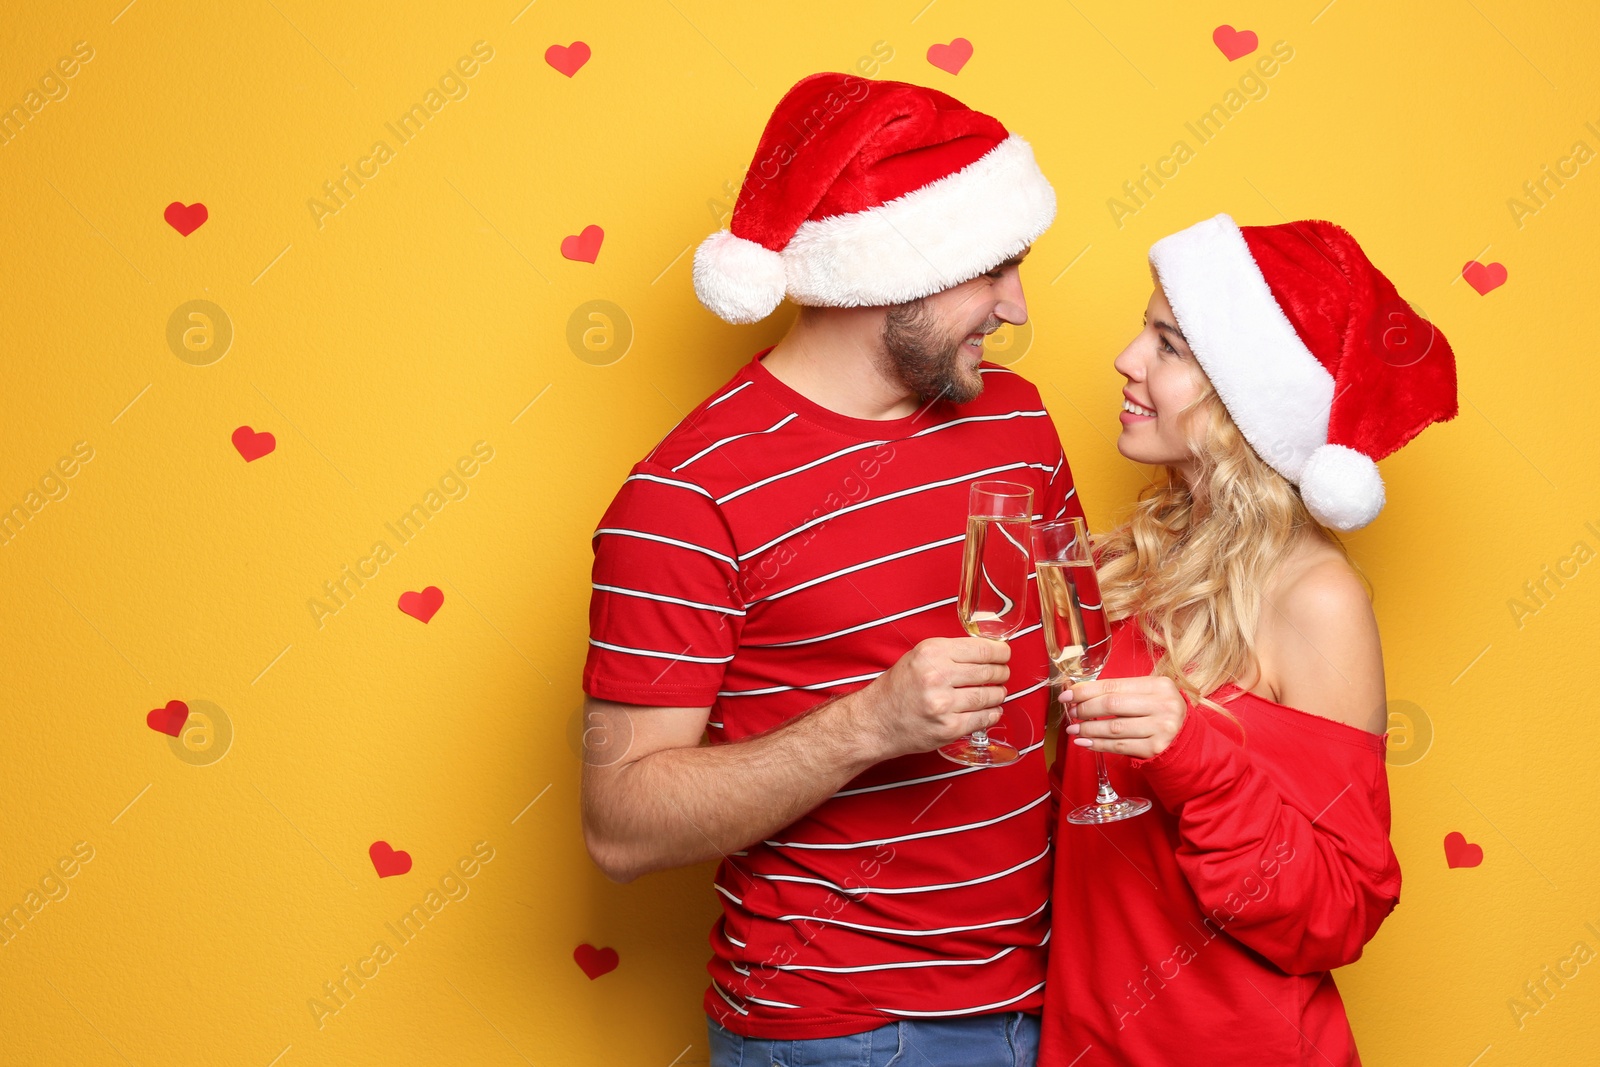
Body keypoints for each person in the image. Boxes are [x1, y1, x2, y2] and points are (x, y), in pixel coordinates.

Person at [579, 72, 1073, 1066]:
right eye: (993, 270)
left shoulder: (1015, 420)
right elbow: (620, 825)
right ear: (888, 272)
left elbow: (1082, 665)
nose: (1015, 308)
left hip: (1058, 994)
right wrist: (871, 724)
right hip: (845, 1033)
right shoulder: (686, 495)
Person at [1037, 213, 1459, 1066]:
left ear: (1246, 399)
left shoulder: (1317, 598)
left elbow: (1338, 910)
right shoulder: (1127, 563)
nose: (1126, 359)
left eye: (1169, 345)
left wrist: (1192, 756)